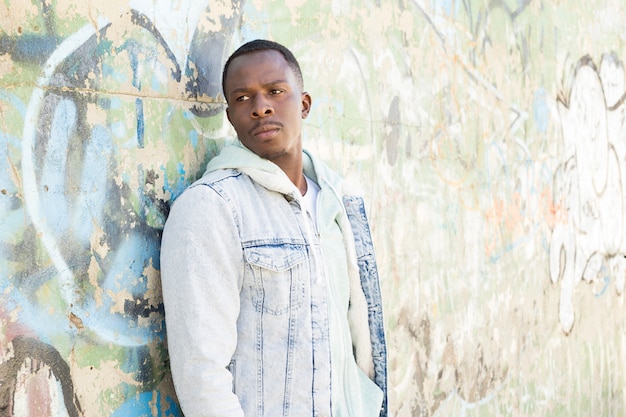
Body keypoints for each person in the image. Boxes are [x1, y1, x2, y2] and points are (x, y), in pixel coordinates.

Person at [160, 39, 387, 417]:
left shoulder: (340, 205)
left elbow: (357, 347)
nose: (260, 107)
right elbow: (201, 374)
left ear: (304, 104)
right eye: (243, 98)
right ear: (230, 117)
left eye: (275, 92)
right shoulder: (211, 208)